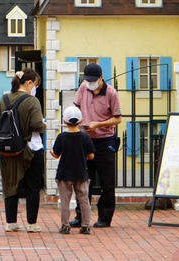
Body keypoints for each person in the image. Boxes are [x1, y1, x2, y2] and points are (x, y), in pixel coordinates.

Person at [70, 62, 122, 228]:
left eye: (93, 80)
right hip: (85, 140)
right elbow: (76, 107)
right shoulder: (83, 88)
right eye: (87, 80)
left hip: (105, 140)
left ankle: (105, 217)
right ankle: (81, 216)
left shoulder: (111, 93)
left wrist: (97, 124)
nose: (90, 83)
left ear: (101, 78)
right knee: (83, 180)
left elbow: (118, 118)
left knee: (107, 181)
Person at [0, 69, 45, 232]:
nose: (35, 88)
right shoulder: (32, 101)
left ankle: (11, 222)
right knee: (32, 185)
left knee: (10, 184)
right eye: (35, 85)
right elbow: (37, 124)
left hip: (8, 149)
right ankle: (31, 223)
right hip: (30, 149)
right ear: (29, 83)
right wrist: (44, 124)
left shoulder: (4, 99)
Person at [52, 105, 95, 235]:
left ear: (64, 122)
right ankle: (86, 225)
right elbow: (91, 155)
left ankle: (65, 225)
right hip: (81, 172)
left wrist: (50, 152)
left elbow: (56, 154)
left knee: (65, 200)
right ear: (81, 121)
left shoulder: (61, 137)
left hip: (64, 173)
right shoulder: (85, 137)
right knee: (84, 200)